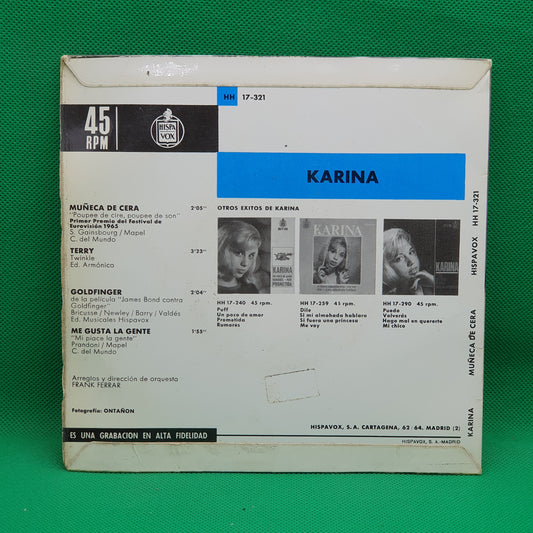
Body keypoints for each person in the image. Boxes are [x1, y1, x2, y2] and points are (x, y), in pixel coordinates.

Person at [382, 228, 434, 295]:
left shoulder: (428, 288)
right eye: (399, 258)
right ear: (386, 267)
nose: (411, 262)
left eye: (411, 252)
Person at [218, 220, 261, 293]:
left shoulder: (251, 290)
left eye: (251, 255)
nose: (245, 263)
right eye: (239, 253)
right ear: (221, 250)